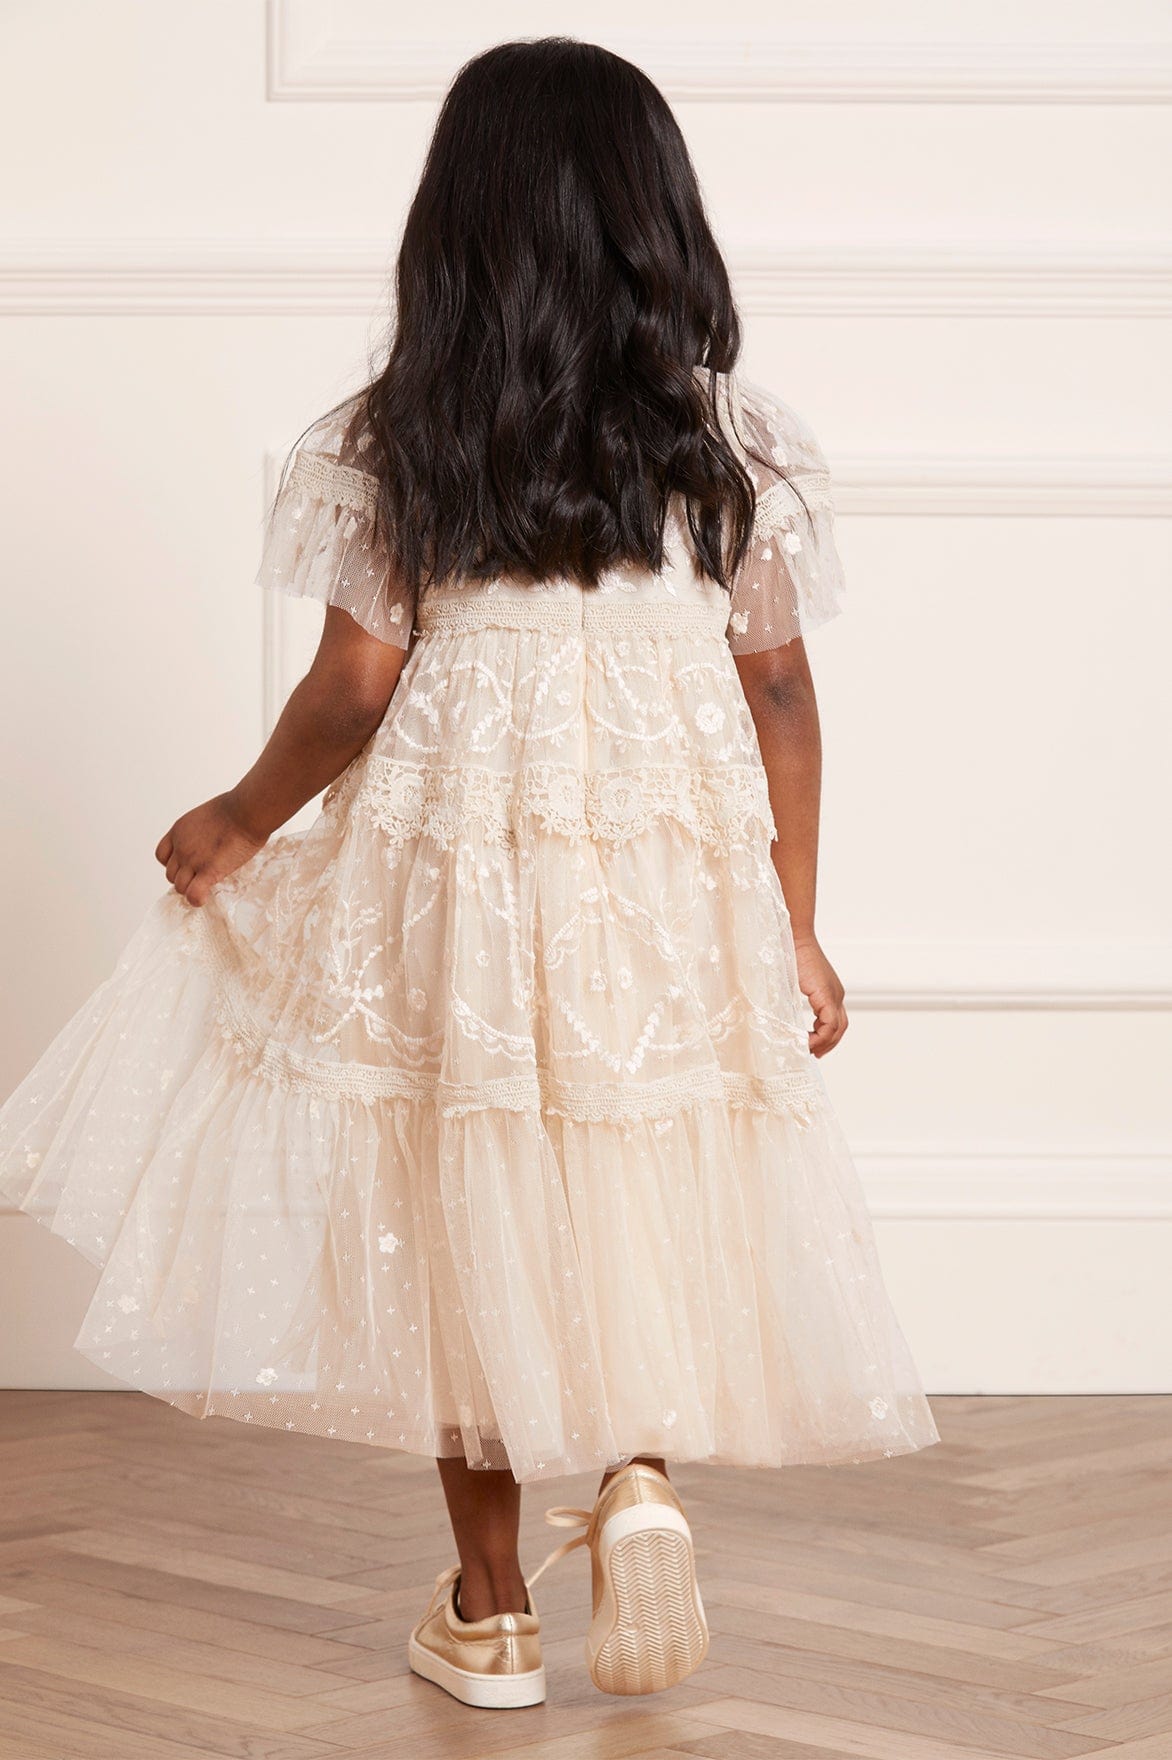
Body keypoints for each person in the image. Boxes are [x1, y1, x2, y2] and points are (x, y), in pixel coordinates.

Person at [0, 36, 939, 1710]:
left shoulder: (408, 438)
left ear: (458, 225)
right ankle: (636, 1476)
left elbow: (355, 689)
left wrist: (239, 816)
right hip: (662, 894)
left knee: (467, 1204)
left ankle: (494, 1613)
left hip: (464, 892)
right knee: (637, 1169)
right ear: (661, 221)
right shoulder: (727, 445)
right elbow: (784, 693)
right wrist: (791, 927)